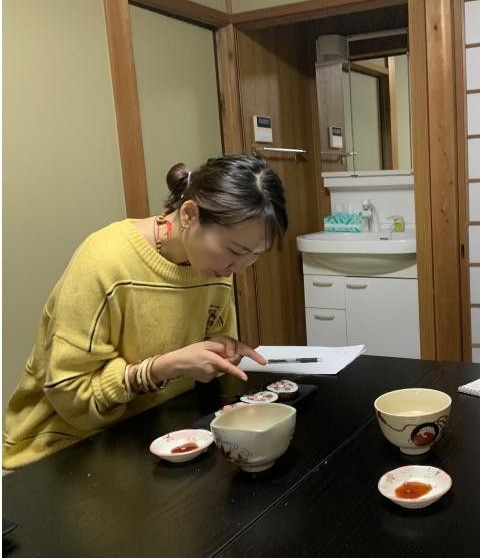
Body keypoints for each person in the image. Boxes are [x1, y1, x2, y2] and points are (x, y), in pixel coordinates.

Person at [3, 153, 288, 470]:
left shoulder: (213, 268)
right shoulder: (104, 262)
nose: (238, 268)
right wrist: (159, 368)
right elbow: (70, 395)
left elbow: (205, 357)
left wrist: (221, 354)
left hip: (157, 434)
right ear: (189, 215)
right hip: (64, 448)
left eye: (254, 256)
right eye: (235, 251)